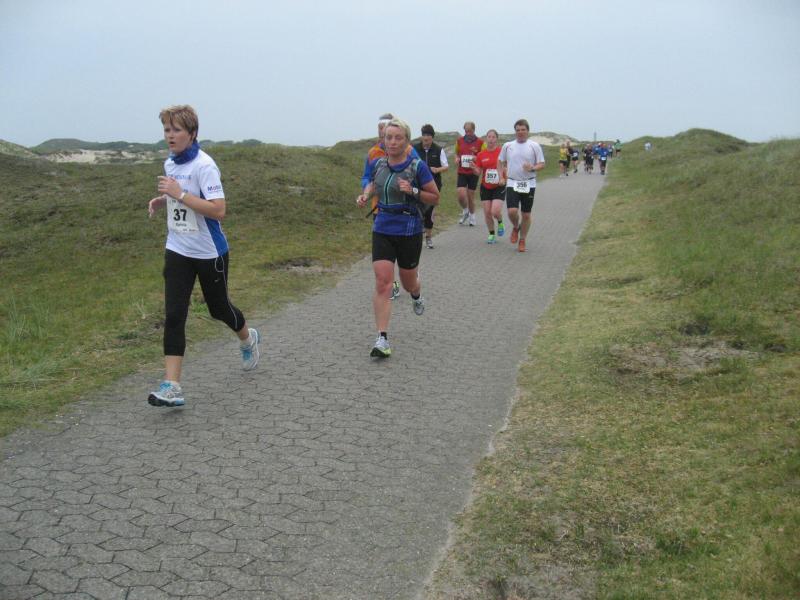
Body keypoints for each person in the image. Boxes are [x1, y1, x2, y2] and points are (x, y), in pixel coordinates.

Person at [146, 105, 260, 407]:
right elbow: (180, 198)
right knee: (174, 315)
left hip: (209, 251)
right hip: (178, 248)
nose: (170, 136)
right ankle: (172, 386)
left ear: (192, 133)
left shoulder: (205, 166)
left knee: (219, 309)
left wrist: (179, 194)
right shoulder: (170, 163)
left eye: (176, 130)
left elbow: (218, 210)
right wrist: (164, 200)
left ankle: (248, 338)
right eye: (167, 130)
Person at [357, 118, 440, 358]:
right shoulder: (379, 163)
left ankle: (416, 294)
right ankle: (382, 338)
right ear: (383, 140)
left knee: (407, 282)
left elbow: (435, 197)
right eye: (389, 137)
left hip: (408, 229)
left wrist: (412, 190)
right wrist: (365, 196)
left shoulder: (417, 166)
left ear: (406, 141)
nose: (392, 142)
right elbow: (373, 184)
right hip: (383, 226)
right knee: (383, 282)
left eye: (398, 138)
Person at [361, 113, 418, 300]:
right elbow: (367, 177)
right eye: (381, 130)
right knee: (385, 257)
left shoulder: (409, 150)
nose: (382, 133)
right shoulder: (373, 153)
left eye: (385, 129)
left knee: (404, 262)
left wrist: (411, 190)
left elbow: (418, 172)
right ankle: (391, 285)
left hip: (404, 212)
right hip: (380, 209)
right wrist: (366, 192)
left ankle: (411, 279)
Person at [497, 119, 545, 253]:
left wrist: (532, 168)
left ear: (527, 131)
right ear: (515, 132)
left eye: (523, 130)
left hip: (529, 183)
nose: (520, 132)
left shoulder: (534, 146)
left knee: (526, 215)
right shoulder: (508, 145)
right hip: (512, 182)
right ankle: (516, 227)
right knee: (512, 211)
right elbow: (500, 161)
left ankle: (522, 239)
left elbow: (542, 164)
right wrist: (501, 177)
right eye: (518, 130)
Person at [412, 124, 449, 249]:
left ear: (432, 137)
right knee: (416, 210)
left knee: (429, 211)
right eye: (424, 135)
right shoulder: (414, 148)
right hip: (418, 184)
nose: (426, 138)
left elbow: (446, 166)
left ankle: (428, 238)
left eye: (428, 135)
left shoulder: (438, 150)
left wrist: (437, 170)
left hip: (434, 185)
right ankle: (415, 237)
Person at [472, 129, 505, 244]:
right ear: (486, 139)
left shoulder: (502, 152)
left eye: (493, 137)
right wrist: (473, 168)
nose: (491, 139)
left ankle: (500, 222)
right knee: (487, 212)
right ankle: (491, 234)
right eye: (489, 137)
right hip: (485, 186)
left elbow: (507, 166)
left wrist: (503, 178)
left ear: (497, 139)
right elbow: (478, 172)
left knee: (495, 211)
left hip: (499, 185)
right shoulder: (481, 154)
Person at [454, 121, 486, 226]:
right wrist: (456, 158)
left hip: (473, 172)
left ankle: (472, 216)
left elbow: (484, 156)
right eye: (466, 131)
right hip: (462, 171)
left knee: (470, 195)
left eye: (470, 131)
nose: (468, 133)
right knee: (461, 194)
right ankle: (465, 210)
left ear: (474, 130)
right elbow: (456, 153)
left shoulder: (481, 142)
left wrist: (476, 158)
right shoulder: (459, 141)